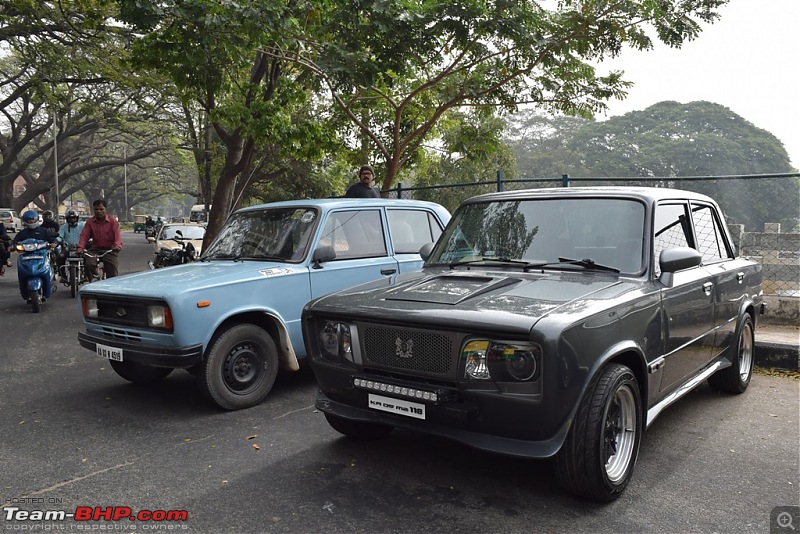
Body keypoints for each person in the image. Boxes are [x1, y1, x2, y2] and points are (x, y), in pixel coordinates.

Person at [12, 210, 58, 299]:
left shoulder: (44, 231)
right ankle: (24, 291)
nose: (30, 221)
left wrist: (54, 243)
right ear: (25, 221)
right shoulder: (22, 233)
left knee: (49, 265)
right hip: (26, 256)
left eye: (32, 219)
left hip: (41, 254)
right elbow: (15, 242)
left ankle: (49, 283)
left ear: (36, 219)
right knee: (21, 271)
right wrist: (12, 246)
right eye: (28, 220)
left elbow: (52, 239)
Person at [77, 199, 122, 281]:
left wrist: (117, 246)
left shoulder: (113, 222)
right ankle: (93, 280)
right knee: (88, 264)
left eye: (101, 209)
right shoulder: (90, 222)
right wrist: (80, 248)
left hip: (110, 249)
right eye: (96, 209)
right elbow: (84, 236)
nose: (98, 211)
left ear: (106, 210)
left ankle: (112, 287)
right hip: (95, 249)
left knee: (112, 267)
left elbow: (117, 236)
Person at [56, 209, 84, 280]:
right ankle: (62, 275)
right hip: (67, 248)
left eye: (74, 218)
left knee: (88, 259)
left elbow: (87, 235)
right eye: (70, 218)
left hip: (80, 248)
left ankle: (86, 274)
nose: (72, 220)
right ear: (67, 219)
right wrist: (58, 240)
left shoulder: (82, 226)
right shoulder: (63, 227)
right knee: (59, 258)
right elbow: (59, 236)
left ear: (77, 218)